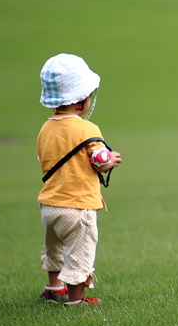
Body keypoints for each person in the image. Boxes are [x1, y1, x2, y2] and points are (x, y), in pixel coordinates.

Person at [36, 53, 121, 307]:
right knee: (79, 252)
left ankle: (54, 288)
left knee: (55, 249)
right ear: (83, 100)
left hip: (50, 205)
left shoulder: (45, 128)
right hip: (78, 206)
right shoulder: (87, 129)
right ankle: (75, 300)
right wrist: (111, 160)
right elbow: (99, 159)